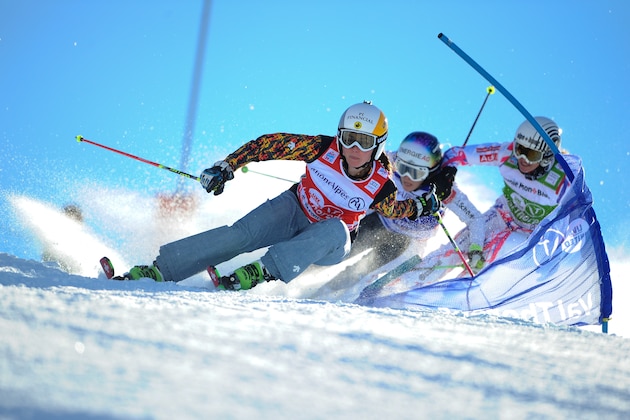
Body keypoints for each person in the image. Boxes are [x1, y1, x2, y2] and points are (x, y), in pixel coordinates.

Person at [121, 101, 441, 290]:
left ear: (379, 144)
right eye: (349, 138)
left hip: (328, 243)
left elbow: (397, 209)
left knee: (335, 227)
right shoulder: (321, 148)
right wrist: (227, 167)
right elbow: (268, 144)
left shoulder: (381, 181)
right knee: (239, 236)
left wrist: (421, 206)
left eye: (364, 142)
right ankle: (161, 270)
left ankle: (264, 270)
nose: (354, 149)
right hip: (294, 209)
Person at [411, 116, 575, 283]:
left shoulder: (564, 179)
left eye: (531, 154)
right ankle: (410, 282)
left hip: (531, 237)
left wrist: (552, 257)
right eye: (519, 149)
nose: (522, 159)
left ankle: (454, 295)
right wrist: (447, 173)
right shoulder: (506, 153)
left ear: (546, 156)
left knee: (486, 254)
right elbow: (455, 154)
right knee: (462, 245)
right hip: (502, 216)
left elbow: (573, 218)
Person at [317, 131, 485, 292]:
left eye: (415, 172)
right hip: (380, 221)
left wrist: (476, 248)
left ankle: (320, 294)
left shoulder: (444, 191)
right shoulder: (390, 161)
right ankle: (302, 269)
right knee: (338, 250)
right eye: (403, 167)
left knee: (359, 273)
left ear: (430, 173)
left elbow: (475, 219)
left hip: (407, 243)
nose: (406, 177)